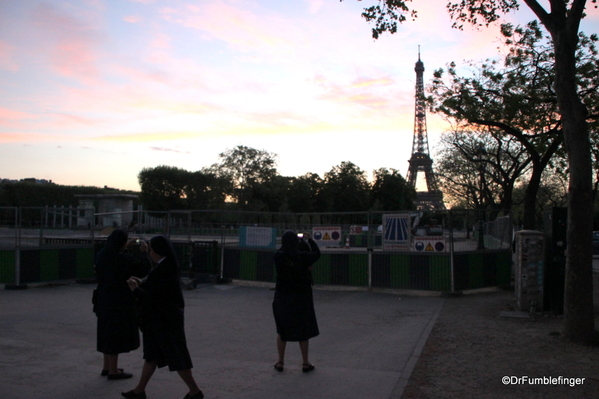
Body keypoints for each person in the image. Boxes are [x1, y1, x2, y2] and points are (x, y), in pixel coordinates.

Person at [122, 235, 204, 399]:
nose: (150, 252)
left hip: (163, 321)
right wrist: (142, 284)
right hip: (164, 320)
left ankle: (194, 391)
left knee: (174, 356)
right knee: (153, 356)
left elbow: (153, 297)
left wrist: (135, 289)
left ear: (157, 251)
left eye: (151, 249)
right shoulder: (167, 265)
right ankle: (140, 390)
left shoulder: (163, 269)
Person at [94, 229, 151, 380]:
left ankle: (107, 367)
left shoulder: (102, 254)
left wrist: (125, 246)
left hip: (102, 298)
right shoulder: (123, 258)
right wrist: (144, 252)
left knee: (106, 332)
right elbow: (143, 269)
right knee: (116, 334)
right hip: (119, 301)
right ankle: (113, 371)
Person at [272, 230, 321, 373]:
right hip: (301, 297)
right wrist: (309, 240)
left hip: (282, 296)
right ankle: (305, 363)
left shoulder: (278, 256)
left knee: (282, 329)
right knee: (302, 329)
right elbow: (317, 254)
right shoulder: (302, 257)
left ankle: (280, 361)